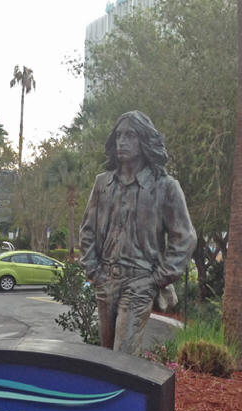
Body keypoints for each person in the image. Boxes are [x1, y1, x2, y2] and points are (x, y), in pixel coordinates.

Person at [79, 111, 196, 356]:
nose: (122, 141)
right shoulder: (102, 184)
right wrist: (95, 272)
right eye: (119, 135)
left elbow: (184, 237)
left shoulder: (165, 186)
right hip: (106, 279)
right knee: (107, 353)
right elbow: (87, 231)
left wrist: (156, 279)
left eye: (130, 135)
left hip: (140, 282)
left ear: (144, 140)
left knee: (123, 355)